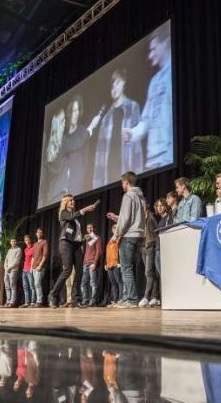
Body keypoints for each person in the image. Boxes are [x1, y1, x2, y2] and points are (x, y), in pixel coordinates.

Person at [122, 25, 173, 169]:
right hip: (152, 158)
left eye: (153, 49)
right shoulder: (154, 81)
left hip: (167, 155)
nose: (150, 55)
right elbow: (146, 121)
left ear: (166, 43)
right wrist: (132, 133)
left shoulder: (172, 74)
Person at [93, 68, 144, 188]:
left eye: (118, 83)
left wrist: (139, 175)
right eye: (112, 84)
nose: (114, 87)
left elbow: (137, 147)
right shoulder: (106, 119)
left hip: (128, 176)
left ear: (124, 84)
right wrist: (97, 185)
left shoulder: (132, 107)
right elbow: (99, 155)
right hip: (109, 178)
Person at [48, 196, 98, 308]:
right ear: (65, 203)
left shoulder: (75, 219)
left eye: (73, 200)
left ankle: (76, 300)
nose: (73, 201)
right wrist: (85, 209)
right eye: (70, 200)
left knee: (79, 271)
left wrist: (85, 237)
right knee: (67, 271)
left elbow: (75, 234)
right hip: (65, 244)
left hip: (76, 245)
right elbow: (71, 218)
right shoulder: (63, 213)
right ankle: (53, 294)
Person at [107, 171, 146, 308]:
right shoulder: (140, 197)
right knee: (128, 268)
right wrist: (117, 217)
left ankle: (131, 299)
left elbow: (126, 219)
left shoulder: (128, 196)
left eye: (122, 182)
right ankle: (126, 298)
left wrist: (117, 234)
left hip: (129, 235)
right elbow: (135, 217)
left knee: (126, 268)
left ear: (126, 182)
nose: (121, 185)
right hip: (139, 235)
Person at [58, 96, 102, 196]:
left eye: (77, 110)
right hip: (62, 191)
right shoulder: (64, 138)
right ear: (69, 113)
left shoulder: (82, 132)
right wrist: (91, 126)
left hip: (78, 189)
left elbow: (86, 160)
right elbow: (74, 144)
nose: (76, 114)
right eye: (73, 111)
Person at [140, 201, 160, 308]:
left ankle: (146, 297)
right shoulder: (141, 219)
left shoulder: (151, 218)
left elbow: (156, 233)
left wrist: (153, 246)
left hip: (150, 246)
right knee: (150, 273)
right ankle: (155, 297)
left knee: (148, 272)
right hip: (143, 247)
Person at [81, 224, 102, 307]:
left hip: (92, 263)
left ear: (94, 228)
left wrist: (94, 263)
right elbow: (86, 251)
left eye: (91, 227)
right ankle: (85, 300)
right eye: (88, 227)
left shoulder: (97, 237)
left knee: (93, 282)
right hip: (85, 263)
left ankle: (92, 301)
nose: (89, 229)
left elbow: (98, 251)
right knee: (83, 283)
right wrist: (83, 262)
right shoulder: (87, 238)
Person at [104, 223, 122, 306]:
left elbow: (121, 251)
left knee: (119, 282)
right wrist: (105, 263)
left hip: (116, 264)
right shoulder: (110, 239)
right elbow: (107, 252)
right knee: (113, 283)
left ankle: (121, 299)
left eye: (116, 227)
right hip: (109, 264)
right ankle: (115, 300)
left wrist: (120, 262)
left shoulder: (119, 238)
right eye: (113, 227)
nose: (114, 228)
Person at [31, 228, 49, 307]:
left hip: (40, 267)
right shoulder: (35, 244)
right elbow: (33, 256)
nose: (39, 234)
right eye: (38, 232)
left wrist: (40, 266)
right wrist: (31, 267)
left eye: (41, 233)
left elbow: (45, 255)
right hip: (34, 267)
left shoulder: (44, 242)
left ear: (42, 234)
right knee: (35, 284)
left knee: (37, 284)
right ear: (36, 234)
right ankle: (37, 300)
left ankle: (39, 301)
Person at [154, 198, 171, 276]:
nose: (159, 207)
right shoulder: (161, 220)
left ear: (165, 206)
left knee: (165, 274)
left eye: (161, 205)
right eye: (158, 206)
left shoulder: (168, 218)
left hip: (163, 248)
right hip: (158, 248)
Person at [4, 238, 22, 307]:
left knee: (12, 286)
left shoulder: (18, 249)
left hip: (13, 270)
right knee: (7, 286)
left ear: (16, 242)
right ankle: (8, 301)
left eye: (14, 241)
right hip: (7, 270)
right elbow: (6, 260)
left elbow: (17, 261)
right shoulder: (9, 250)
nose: (13, 242)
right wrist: (6, 267)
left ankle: (12, 302)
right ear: (10, 242)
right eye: (12, 241)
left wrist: (9, 267)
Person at [21, 235, 35, 307]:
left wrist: (31, 268)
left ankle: (32, 302)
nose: (26, 241)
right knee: (25, 287)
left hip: (30, 269)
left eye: (27, 239)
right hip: (24, 269)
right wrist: (24, 268)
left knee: (32, 286)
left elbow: (33, 258)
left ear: (30, 240)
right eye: (25, 240)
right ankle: (27, 302)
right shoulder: (25, 249)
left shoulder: (33, 247)